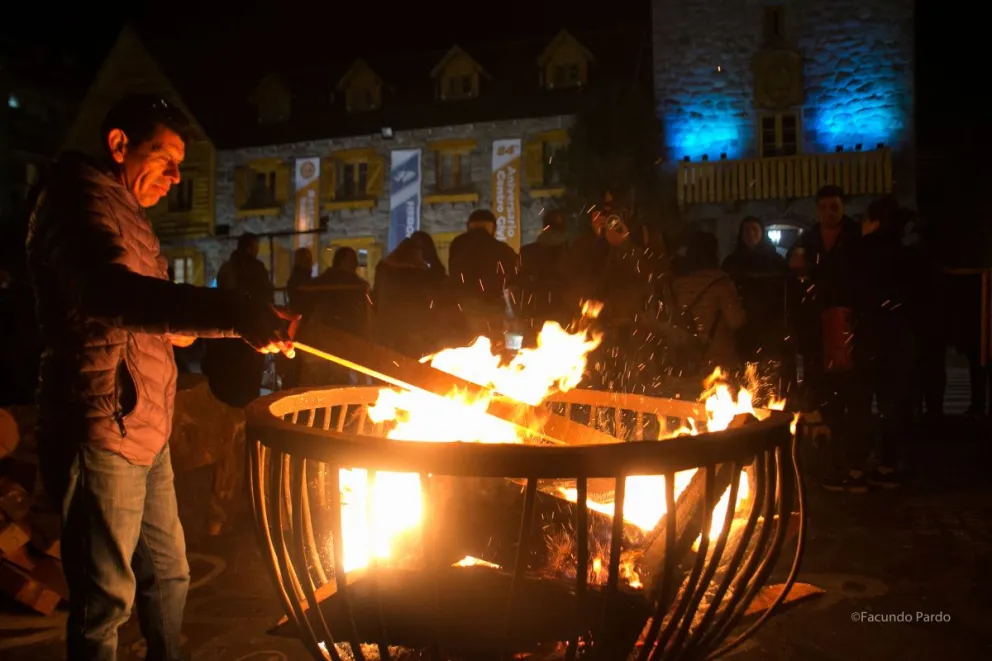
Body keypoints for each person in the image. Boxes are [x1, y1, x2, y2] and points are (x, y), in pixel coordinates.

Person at [25, 94, 296, 661]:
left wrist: (226, 323)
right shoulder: (77, 202)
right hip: (101, 420)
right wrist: (229, 311)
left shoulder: (131, 217)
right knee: (106, 599)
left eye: (180, 163)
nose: (177, 176)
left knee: (170, 575)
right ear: (120, 144)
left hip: (144, 423)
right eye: (164, 157)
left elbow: (153, 317)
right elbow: (109, 295)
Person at [204, 233, 275, 405]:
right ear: (251, 246)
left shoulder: (227, 267)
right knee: (247, 385)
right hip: (250, 334)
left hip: (225, 335)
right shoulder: (256, 269)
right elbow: (265, 301)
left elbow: (221, 296)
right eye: (256, 246)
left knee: (228, 384)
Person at [447, 209, 519, 342]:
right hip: (492, 306)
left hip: (463, 306)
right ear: (492, 226)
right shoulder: (500, 248)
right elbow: (516, 271)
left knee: (466, 345)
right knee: (493, 345)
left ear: (469, 225)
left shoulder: (457, 244)